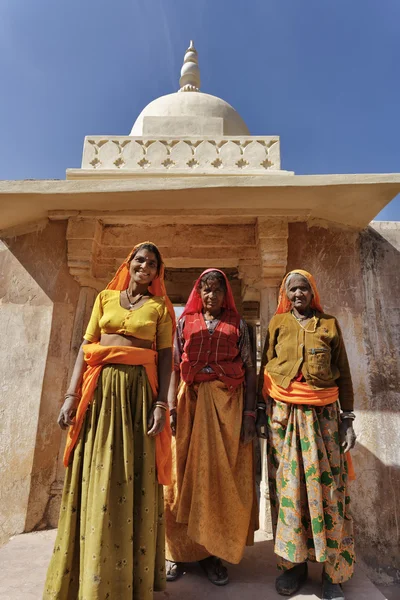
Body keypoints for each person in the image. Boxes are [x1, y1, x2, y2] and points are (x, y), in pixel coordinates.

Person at [44, 242, 174, 600]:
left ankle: (127, 578)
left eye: (151, 263)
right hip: (99, 394)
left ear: (156, 272)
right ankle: (86, 574)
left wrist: (161, 404)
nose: (144, 266)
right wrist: (71, 396)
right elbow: (85, 350)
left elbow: (165, 358)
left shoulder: (160, 308)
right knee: (95, 469)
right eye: (139, 260)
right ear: (129, 264)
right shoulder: (104, 298)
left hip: (137, 396)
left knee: (135, 472)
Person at [256, 270, 356, 600]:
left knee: (330, 493)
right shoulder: (277, 324)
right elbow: (265, 368)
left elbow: (343, 372)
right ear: (286, 295)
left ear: (312, 293)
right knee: (289, 491)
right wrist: (259, 410)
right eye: (293, 289)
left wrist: (347, 419)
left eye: (304, 288)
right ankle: (293, 566)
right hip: (283, 418)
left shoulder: (328, 324)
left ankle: (333, 574)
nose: (298, 293)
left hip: (325, 417)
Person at [164, 268, 258, 586]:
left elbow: (250, 370)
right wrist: (172, 408)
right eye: (206, 290)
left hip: (228, 409)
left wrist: (248, 416)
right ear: (198, 293)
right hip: (189, 405)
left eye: (217, 290)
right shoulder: (184, 323)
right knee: (180, 476)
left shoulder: (239, 325)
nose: (211, 295)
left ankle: (213, 553)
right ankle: (177, 553)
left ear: (225, 294)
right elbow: (176, 367)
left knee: (219, 479)